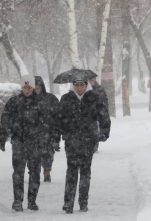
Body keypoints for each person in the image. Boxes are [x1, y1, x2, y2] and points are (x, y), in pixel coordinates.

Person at [58, 75, 111, 214]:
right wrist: (58, 134)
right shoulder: (66, 99)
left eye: (82, 85)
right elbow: (59, 119)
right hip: (71, 140)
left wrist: (105, 131)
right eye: (77, 84)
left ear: (86, 85)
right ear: (73, 85)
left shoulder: (94, 97)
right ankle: (68, 202)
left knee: (85, 172)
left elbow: (104, 115)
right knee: (71, 171)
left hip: (88, 140)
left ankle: (83, 202)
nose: (79, 87)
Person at [0, 75, 42, 212]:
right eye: (24, 87)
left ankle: (32, 201)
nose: (26, 90)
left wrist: (48, 140)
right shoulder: (14, 102)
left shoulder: (40, 103)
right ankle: (17, 200)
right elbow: (5, 120)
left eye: (29, 87)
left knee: (34, 172)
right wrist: (3, 137)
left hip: (35, 142)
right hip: (19, 141)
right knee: (18, 172)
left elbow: (47, 123)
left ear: (33, 87)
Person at [34, 76, 61, 183]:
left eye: (38, 86)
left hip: (48, 133)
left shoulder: (51, 99)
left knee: (48, 155)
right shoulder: (26, 100)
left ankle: (47, 172)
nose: (36, 89)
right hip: (32, 133)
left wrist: (56, 138)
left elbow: (58, 118)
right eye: (34, 87)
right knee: (33, 156)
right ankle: (34, 172)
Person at [88, 75, 109, 153]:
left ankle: (94, 147)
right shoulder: (84, 89)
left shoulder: (99, 89)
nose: (90, 82)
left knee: (95, 130)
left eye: (92, 80)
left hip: (97, 113)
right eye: (89, 80)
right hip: (87, 113)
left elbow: (104, 101)